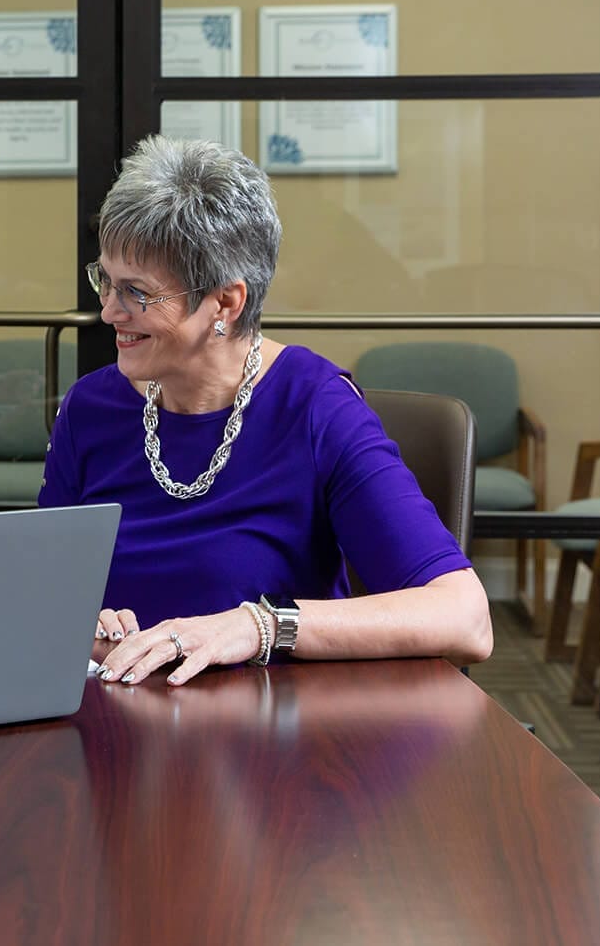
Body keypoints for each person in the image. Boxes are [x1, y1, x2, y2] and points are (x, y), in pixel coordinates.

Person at [39, 136, 493, 688]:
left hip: (273, 737)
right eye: (105, 281)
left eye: (136, 293)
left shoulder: (315, 407)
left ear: (225, 303)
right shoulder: (90, 407)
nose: (109, 310)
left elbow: (464, 617)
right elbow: (46, 590)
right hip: (113, 724)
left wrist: (257, 625)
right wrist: (78, 623)